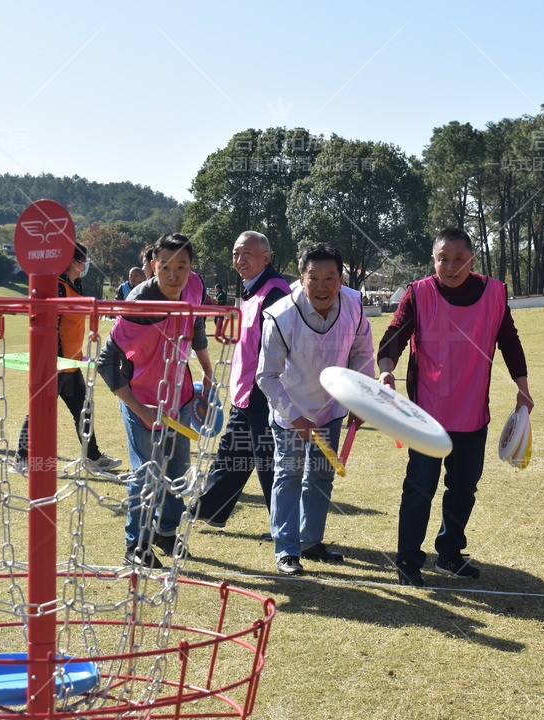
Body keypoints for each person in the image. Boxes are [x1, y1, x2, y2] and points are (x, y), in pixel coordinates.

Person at [378, 228, 533, 587]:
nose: (451, 266)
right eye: (443, 259)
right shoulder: (418, 294)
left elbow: (509, 340)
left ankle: (449, 553)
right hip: (425, 415)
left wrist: (523, 389)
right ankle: (408, 560)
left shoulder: (495, 293)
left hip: (473, 414)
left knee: (464, 488)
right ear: (433, 260)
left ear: (472, 259)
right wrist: (386, 373)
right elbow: (394, 337)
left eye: (459, 259)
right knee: (419, 488)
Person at [97, 233, 214, 569]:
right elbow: (107, 363)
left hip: (178, 395)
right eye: (165, 266)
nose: (174, 274)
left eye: (182, 266)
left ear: (192, 267)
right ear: (152, 265)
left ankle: (165, 531)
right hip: (141, 397)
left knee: (178, 470)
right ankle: (135, 545)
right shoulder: (138, 305)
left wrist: (206, 370)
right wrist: (139, 407)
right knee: (147, 471)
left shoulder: (194, 285)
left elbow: (198, 324)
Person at [257, 244, 374, 576]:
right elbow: (266, 376)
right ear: (301, 276)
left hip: (331, 409)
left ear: (341, 279)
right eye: (314, 278)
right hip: (290, 411)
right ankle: (287, 551)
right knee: (289, 475)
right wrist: (295, 417)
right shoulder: (280, 316)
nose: (322, 286)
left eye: (330, 278)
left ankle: (311, 541)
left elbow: (362, 352)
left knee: (321, 476)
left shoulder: (353, 304)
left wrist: (360, 399)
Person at [193, 232, 290, 530]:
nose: (240, 259)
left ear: (266, 257)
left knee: (270, 463)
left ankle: (287, 531)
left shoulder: (275, 291)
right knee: (230, 456)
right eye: (236, 253)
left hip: (265, 394)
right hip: (244, 394)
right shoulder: (251, 290)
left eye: (247, 253)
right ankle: (207, 511)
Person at [13, 243, 121, 475]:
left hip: (71, 362)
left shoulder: (76, 284)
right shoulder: (57, 286)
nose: (86, 264)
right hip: (56, 362)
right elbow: (51, 324)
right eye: (83, 260)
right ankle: (21, 458)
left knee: (83, 410)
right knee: (39, 410)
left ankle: (93, 457)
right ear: (73, 261)